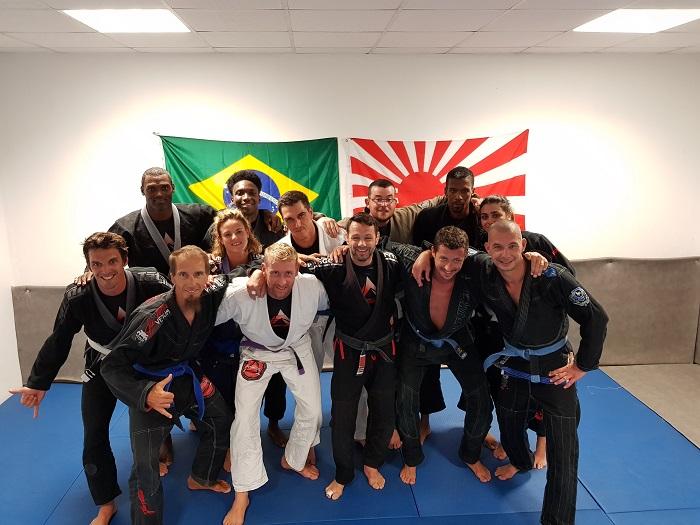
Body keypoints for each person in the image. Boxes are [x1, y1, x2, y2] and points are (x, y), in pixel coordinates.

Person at [9, 232, 171, 525]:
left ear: (125, 260)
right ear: (88, 266)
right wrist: (38, 382)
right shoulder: (78, 296)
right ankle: (106, 503)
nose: (105, 270)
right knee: (94, 435)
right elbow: (59, 339)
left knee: (150, 423)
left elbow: (180, 315)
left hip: (144, 363)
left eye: (112, 261)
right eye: (96, 264)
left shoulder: (152, 282)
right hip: (102, 364)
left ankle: (160, 453)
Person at [479, 220, 608, 525]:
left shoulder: (553, 277)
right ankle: (522, 463)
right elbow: (453, 255)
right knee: (509, 425)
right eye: (497, 247)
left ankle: (557, 521)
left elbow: (597, 318)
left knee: (563, 450)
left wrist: (582, 365)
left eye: (513, 245)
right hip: (515, 364)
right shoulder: (483, 271)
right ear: (487, 249)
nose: (505, 253)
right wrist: (424, 257)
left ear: (524, 245)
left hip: (555, 368)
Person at [101, 245, 233, 525]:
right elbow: (112, 366)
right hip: (153, 385)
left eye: (198, 274)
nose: (192, 282)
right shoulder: (154, 316)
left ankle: (202, 477)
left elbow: (237, 273)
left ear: (208, 275)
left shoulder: (211, 292)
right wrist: (146, 394)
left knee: (221, 417)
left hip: (187, 376)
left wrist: (256, 275)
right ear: (171, 277)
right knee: (145, 463)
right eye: (183, 274)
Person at [216, 243, 327, 525]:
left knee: (314, 411)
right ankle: (242, 492)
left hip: (296, 349)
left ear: (296, 270)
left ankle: (293, 459)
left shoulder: (312, 286)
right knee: (244, 419)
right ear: (263, 270)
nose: (281, 281)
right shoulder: (242, 291)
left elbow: (340, 297)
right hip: (256, 353)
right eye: (275, 273)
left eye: (288, 273)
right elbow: (206, 315)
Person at [303, 213, 402, 500]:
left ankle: (372, 463)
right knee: (343, 417)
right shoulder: (333, 265)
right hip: (349, 352)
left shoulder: (391, 263)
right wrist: (273, 266)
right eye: (355, 237)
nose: (361, 244)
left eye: (368, 238)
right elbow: (290, 264)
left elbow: (425, 260)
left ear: (377, 238)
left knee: (384, 412)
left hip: (383, 351)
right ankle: (343, 474)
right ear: (346, 238)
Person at [473, 195, 576, 466]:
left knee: (543, 393)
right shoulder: (484, 247)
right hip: (501, 335)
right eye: (484, 216)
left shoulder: (535, 241)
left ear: (510, 216)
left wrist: (538, 260)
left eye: (496, 215)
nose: (489, 221)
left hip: (539, 337)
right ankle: (512, 443)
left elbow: (567, 276)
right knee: (506, 394)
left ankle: (542, 443)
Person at [391, 227, 493, 486]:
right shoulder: (411, 259)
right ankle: (411, 457)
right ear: (433, 251)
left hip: (457, 340)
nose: (449, 267)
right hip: (416, 341)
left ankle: (471, 454)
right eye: (443, 258)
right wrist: (422, 254)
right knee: (405, 403)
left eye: (457, 260)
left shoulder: (474, 268)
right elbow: (380, 242)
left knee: (481, 399)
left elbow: (504, 259)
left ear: (465, 256)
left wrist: (534, 257)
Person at [410, 166, 481, 445]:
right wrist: (423, 255)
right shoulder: (428, 218)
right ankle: (424, 421)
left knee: (475, 368)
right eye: (453, 190)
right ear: (445, 191)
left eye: (465, 191)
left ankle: (474, 424)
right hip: (434, 298)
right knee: (427, 364)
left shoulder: (480, 218)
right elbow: (415, 250)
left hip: (470, 303)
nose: (459, 197)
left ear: (473, 192)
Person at [224, 170, 289, 448]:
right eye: (239, 192)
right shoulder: (221, 224)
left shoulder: (273, 225)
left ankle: (274, 422)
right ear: (231, 197)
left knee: (274, 373)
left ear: (259, 196)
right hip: (232, 314)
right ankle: (232, 425)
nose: (245, 197)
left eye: (251, 192)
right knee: (234, 377)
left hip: (268, 307)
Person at [108, 167, 217, 276]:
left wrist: (212, 254)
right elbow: (104, 256)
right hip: (148, 287)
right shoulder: (125, 228)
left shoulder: (201, 215)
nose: (159, 194)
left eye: (165, 188)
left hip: (199, 283)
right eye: (151, 189)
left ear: (173, 188)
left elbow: (225, 228)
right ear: (142, 190)